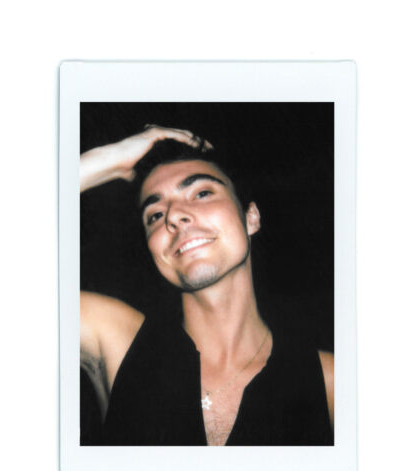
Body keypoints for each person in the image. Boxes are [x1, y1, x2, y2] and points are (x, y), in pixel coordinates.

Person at [80, 125, 334, 446]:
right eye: (155, 215)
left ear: (251, 217)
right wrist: (112, 160)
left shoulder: (330, 382)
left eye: (202, 193)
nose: (174, 216)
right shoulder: (116, 340)